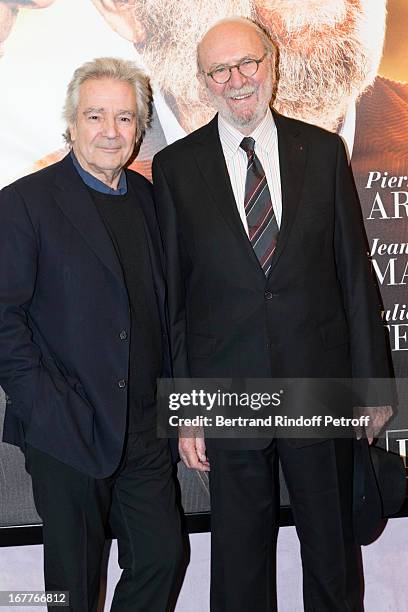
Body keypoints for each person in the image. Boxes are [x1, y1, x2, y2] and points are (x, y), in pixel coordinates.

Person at [153, 17, 393, 612]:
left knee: (332, 553)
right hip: (227, 393)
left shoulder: (325, 150)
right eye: (220, 70)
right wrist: (186, 411)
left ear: (272, 63)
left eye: (248, 63)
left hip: (319, 384)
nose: (237, 81)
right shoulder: (176, 168)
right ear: (205, 81)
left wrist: (373, 385)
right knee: (238, 559)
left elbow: (354, 274)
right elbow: (173, 302)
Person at [0, 57, 182, 611]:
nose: (110, 131)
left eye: (125, 119)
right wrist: (46, 406)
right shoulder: (23, 202)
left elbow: (166, 310)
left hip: (144, 433)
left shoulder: (152, 201)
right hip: (67, 429)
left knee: (162, 559)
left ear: (139, 128)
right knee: (70, 589)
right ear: (72, 124)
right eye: (95, 116)